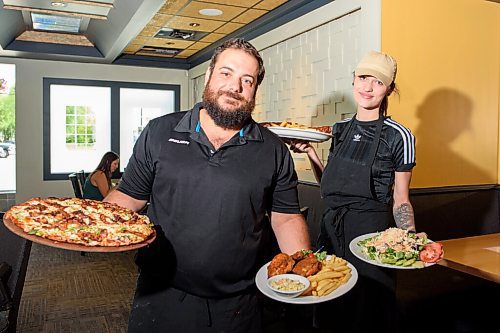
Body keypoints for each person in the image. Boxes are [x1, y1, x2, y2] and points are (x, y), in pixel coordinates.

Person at [104, 38, 310, 333]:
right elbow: (128, 196)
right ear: (210, 75)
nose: (234, 87)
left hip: (239, 304)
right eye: (226, 73)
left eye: (247, 80)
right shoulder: (160, 132)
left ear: (254, 90)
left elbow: (286, 217)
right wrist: (91, 228)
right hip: (161, 294)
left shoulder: (273, 149)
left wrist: (304, 270)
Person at [289, 51, 416, 332]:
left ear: (389, 89)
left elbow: (401, 198)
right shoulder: (340, 130)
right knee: (328, 306)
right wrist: (311, 152)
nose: (368, 87)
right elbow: (330, 187)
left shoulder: (400, 136)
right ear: (353, 80)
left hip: (371, 236)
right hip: (331, 230)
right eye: (363, 78)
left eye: (378, 82)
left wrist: (407, 242)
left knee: (367, 312)